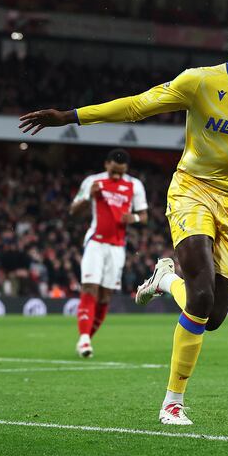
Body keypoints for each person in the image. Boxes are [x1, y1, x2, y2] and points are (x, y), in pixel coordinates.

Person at [18, 17, 228, 425]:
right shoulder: (199, 82)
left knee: (212, 317)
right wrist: (71, 116)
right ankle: (173, 402)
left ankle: (165, 279)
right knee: (200, 298)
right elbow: (136, 105)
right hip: (192, 191)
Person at [70, 149, 148, 357]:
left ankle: (85, 338)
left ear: (126, 169)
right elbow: (73, 211)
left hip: (117, 247)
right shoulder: (93, 181)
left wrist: (135, 219)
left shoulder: (135, 185)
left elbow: (144, 216)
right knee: (90, 288)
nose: (116, 176)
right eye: (113, 171)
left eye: (120, 173)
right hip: (95, 242)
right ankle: (85, 341)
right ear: (106, 165)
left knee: (104, 297)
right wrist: (89, 198)